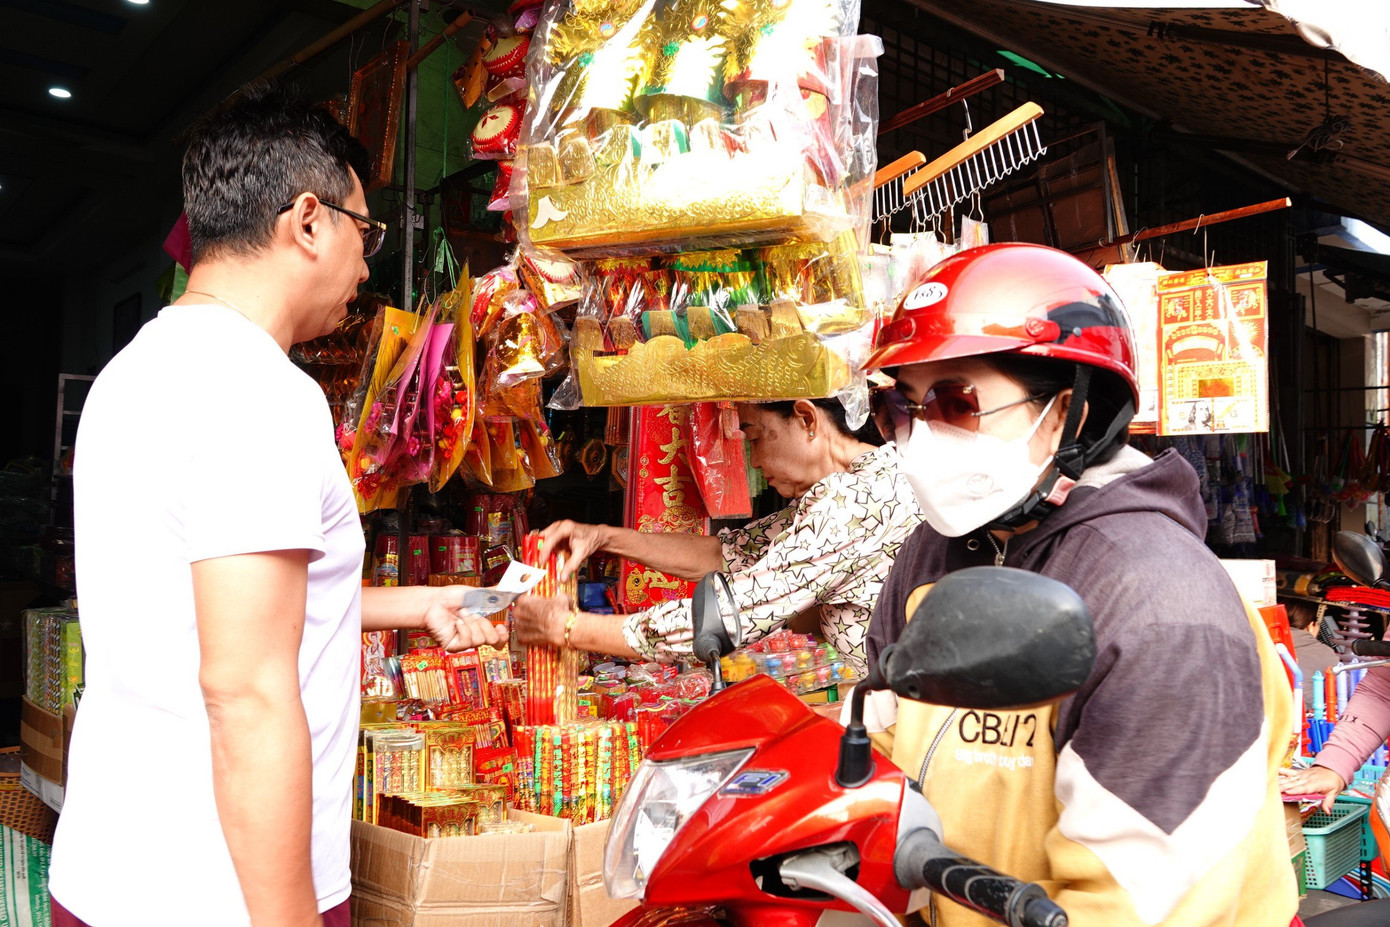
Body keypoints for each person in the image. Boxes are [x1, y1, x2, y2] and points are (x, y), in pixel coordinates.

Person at [48, 84, 504, 927]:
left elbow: (212, 606)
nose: (368, 268)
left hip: (110, 869)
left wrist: (420, 603)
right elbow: (246, 690)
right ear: (307, 221)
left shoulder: (131, 372)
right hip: (216, 893)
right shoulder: (260, 392)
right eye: (364, 234)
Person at [860, 243, 1296, 926]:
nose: (918, 441)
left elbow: (1128, 905)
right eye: (903, 409)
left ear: (1067, 412)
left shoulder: (1163, 609)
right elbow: (882, 763)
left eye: (955, 403)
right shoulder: (932, 554)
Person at [512, 397, 922, 676]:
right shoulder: (868, 481)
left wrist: (569, 628)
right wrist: (603, 537)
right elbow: (726, 554)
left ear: (807, 419)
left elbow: (732, 615)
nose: (756, 462)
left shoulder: (854, 501)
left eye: (756, 437)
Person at [1283, 596, 1339, 710]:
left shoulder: (1264, 646)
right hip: (1306, 717)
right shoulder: (1324, 652)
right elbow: (1344, 688)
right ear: (1311, 625)